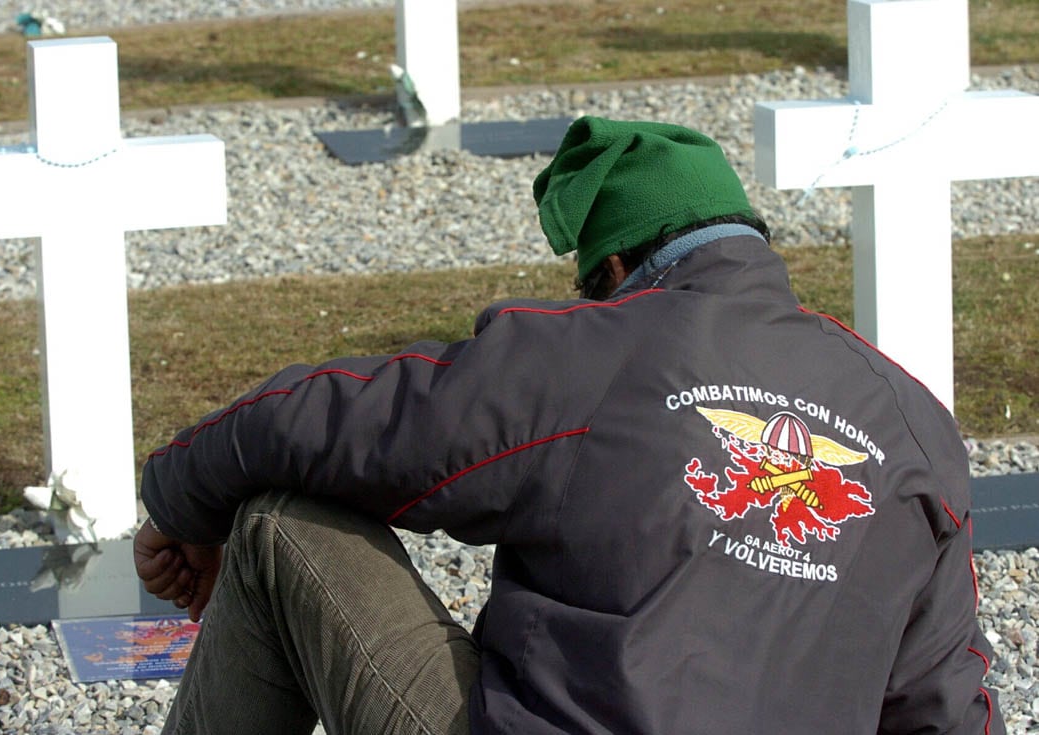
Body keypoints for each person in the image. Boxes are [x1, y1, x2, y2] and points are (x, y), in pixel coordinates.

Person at [134, 116, 1005, 734]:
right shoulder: (916, 422)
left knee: (282, 519)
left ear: (618, 264)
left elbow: (327, 419)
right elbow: (943, 703)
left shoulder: (595, 353)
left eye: (593, 283)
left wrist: (181, 506)